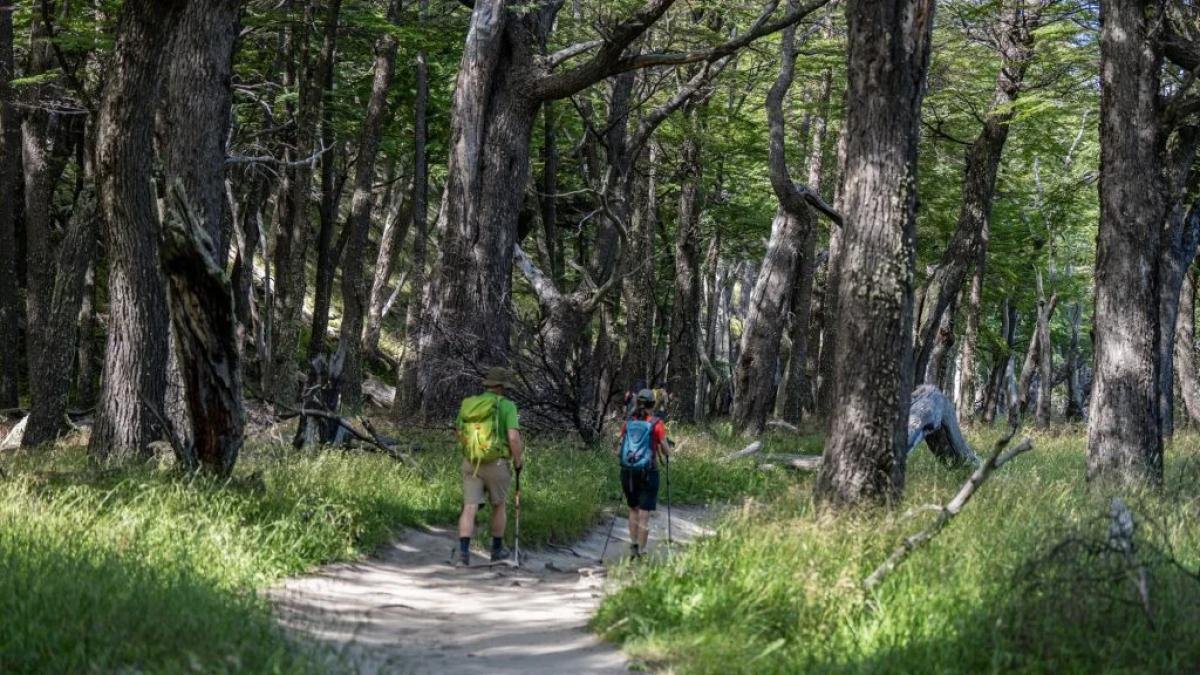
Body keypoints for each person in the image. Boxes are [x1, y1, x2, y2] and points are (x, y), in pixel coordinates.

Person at [454, 366, 524, 567]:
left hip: (471, 462)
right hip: (497, 463)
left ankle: (463, 555)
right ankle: (496, 550)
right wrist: (518, 461)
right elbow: (513, 437)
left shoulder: (470, 404)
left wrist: (472, 449)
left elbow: (458, 432)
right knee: (499, 505)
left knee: (469, 507)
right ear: (502, 387)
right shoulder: (507, 406)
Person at [615, 388, 669, 559]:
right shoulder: (657, 424)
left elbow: (618, 448)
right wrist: (667, 452)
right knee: (644, 513)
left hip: (628, 471)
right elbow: (666, 450)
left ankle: (633, 545)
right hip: (649, 471)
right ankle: (642, 552)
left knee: (633, 510)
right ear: (652, 404)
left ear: (637, 403)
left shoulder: (628, 423)